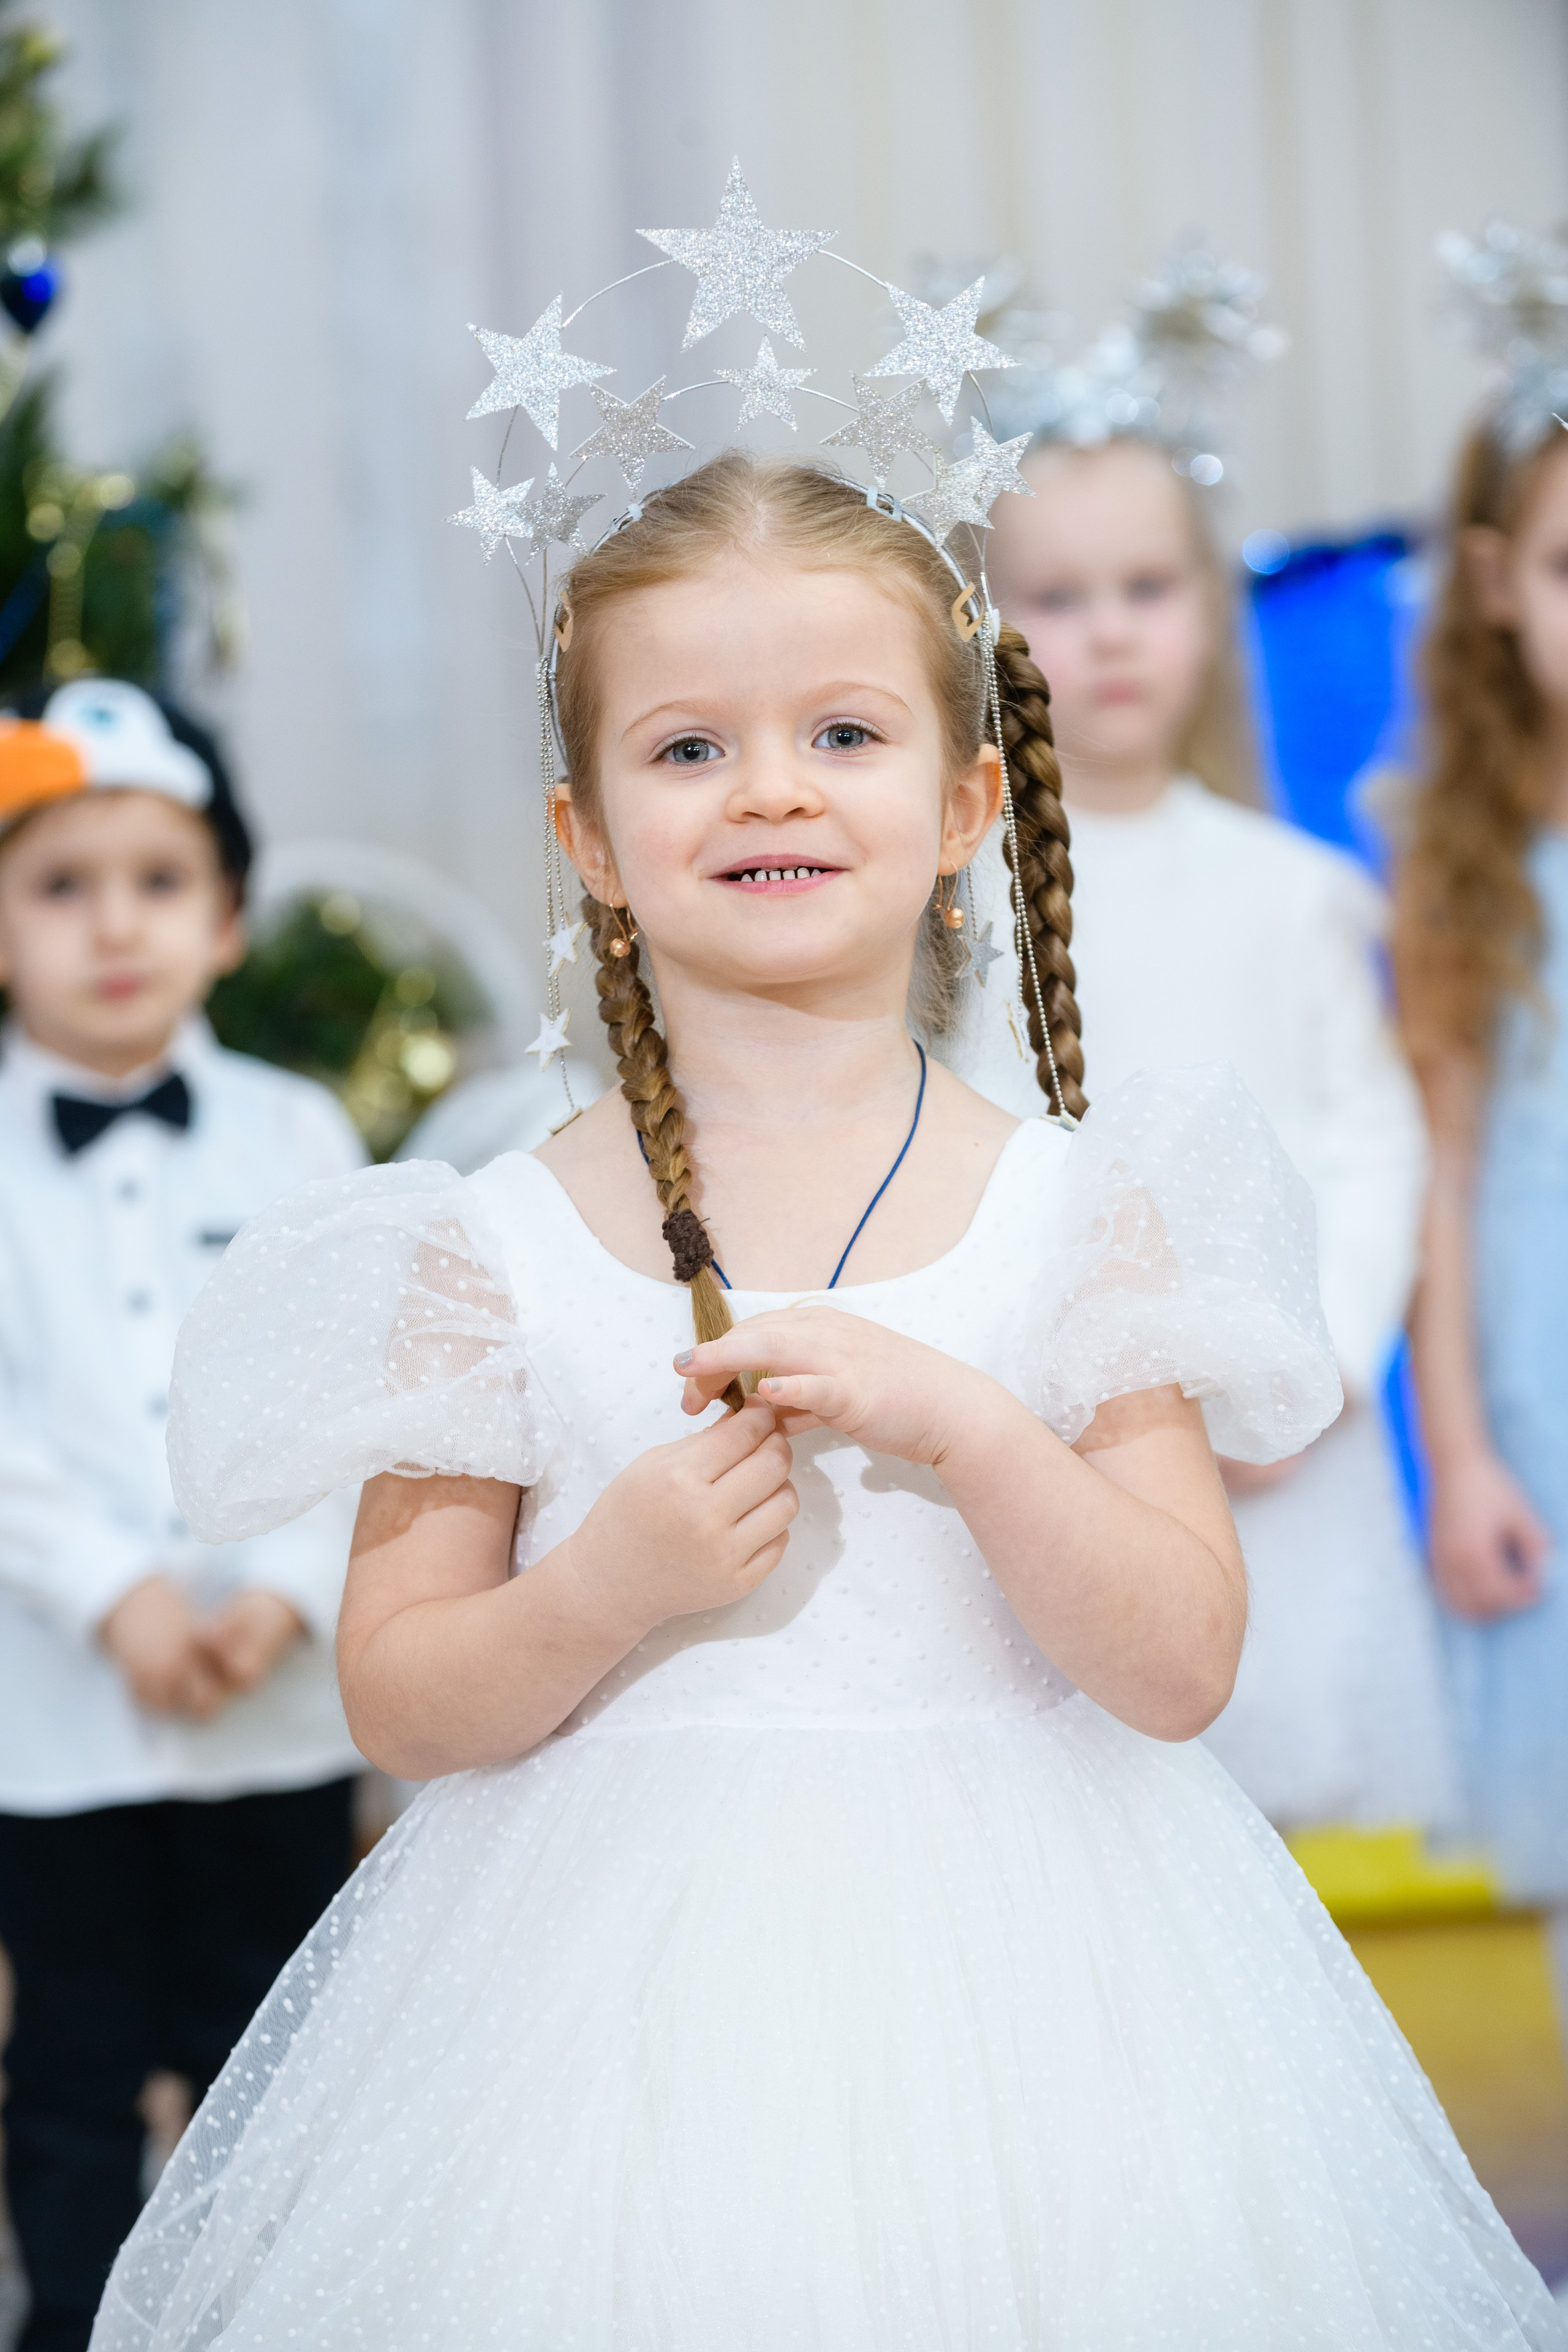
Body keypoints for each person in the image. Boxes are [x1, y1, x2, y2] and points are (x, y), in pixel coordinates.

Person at [92, 457, 1558, 2346]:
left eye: (843, 733)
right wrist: (603, 1585)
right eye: (689, 748)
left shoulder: (1081, 1220)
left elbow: (1184, 1662)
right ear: (588, 834)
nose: (771, 788)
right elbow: (400, 1694)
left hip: (1050, 2014)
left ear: (964, 805)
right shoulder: (489, 1250)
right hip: (602, 2032)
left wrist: (983, 1434)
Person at [981, 431, 1454, 1838]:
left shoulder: (1299, 893)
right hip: (1054, 1443)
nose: (1110, 633)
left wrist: (1314, 1372)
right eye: (1058, 597)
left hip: (1287, 1444)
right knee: (1074, 1805)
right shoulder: (953, 907)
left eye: (1147, 587)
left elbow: (1372, 1145)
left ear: (1206, 601)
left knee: (1266, 1817)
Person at [0, 680, 366, 2352]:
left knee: (268, 2058)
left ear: (226, 921)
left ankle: (266, 2317)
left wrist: (279, 1586)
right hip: (55, 1720)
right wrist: (108, 1590)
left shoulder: (299, 1134)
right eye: (60, 885)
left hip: (268, 1707)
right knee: (70, 2064)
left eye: (157, 881)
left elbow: (358, 1379)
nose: (113, 926)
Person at [1393, 410, 1568, 1903]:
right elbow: (1436, 1178)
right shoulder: (1467, 864)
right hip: (1544, 1404)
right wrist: (1456, 1459)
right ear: (1499, 582)